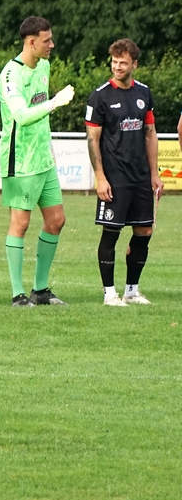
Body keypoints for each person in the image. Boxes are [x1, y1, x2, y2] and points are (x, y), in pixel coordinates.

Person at [0, 16, 76, 306]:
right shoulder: (10, 75)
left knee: (56, 220)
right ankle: (18, 294)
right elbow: (21, 115)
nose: (51, 45)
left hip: (44, 159)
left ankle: (40, 290)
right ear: (31, 42)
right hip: (20, 161)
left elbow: (39, 112)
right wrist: (53, 103)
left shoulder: (44, 65)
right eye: (47, 40)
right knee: (20, 223)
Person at [85, 38, 163, 306]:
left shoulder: (144, 93)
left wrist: (154, 174)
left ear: (134, 64)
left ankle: (132, 290)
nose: (117, 67)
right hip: (114, 177)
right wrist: (100, 177)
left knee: (144, 231)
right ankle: (109, 293)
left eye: (123, 63)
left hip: (140, 177)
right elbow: (92, 139)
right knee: (111, 233)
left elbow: (150, 133)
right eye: (114, 62)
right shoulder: (100, 96)